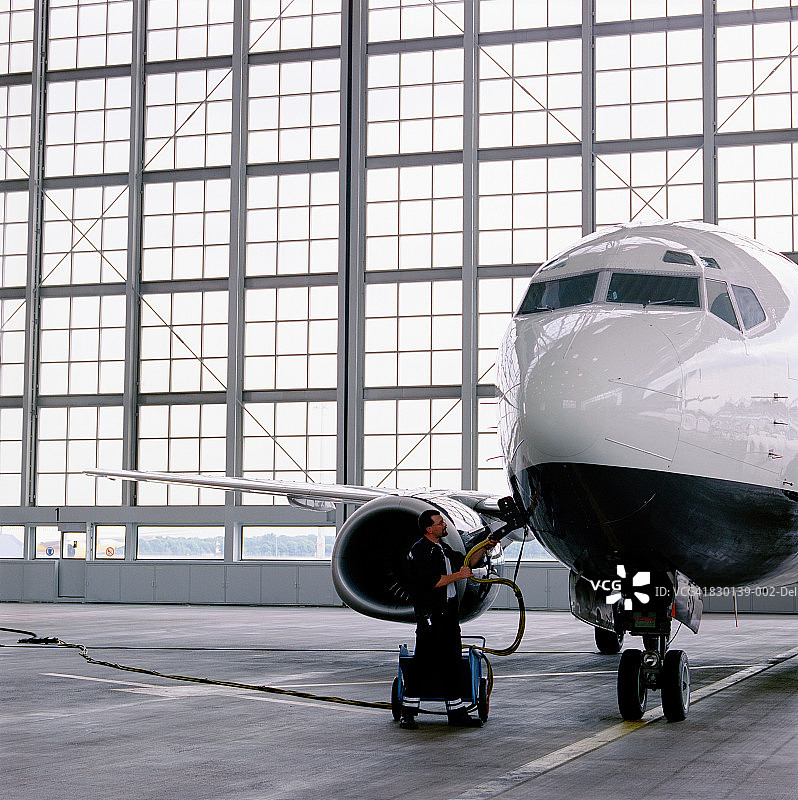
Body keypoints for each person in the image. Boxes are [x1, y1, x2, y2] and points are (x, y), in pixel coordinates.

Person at [400, 509, 499, 729]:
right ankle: (408, 712)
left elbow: (467, 563)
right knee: (422, 664)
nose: (444, 525)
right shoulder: (420, 551)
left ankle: (456, 712)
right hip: (431, 618)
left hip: (448, 618)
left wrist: (484, 546)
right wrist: (459, 576)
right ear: (429, 528)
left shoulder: (441, 549)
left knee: (452, 664)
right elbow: (433, 581)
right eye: (440, 523)